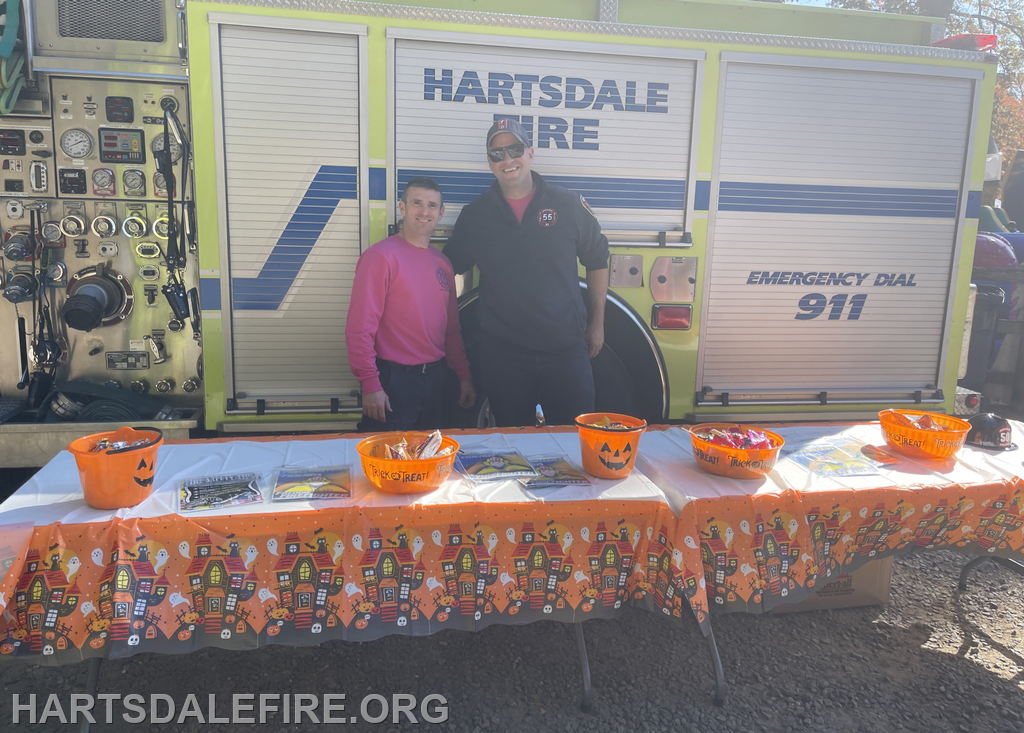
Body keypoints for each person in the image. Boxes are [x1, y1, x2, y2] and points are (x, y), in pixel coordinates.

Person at [443, 118, 609, 427]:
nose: (507, 159)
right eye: (497, 153)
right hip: (504, 355)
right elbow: (446, 266)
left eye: (514, 149)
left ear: (530, 153)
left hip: (565, 349)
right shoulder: (476, 215)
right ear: (490, 162)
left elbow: (598, 259)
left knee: (575, 437)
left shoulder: (569, 205)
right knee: (512, 445)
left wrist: (597, 324)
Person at [345, 177, 475, 430]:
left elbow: (451, 329)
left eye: (432, 205)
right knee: (389, 464)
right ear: (402, 208)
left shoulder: (443, 264)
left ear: (441, 213)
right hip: (393, 383)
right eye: (417, 203)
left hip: (436, 381)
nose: (424, 212)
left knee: (432, 464)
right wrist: (371, 385)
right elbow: (360, 329)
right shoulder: (379, 258)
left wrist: (464, 376)